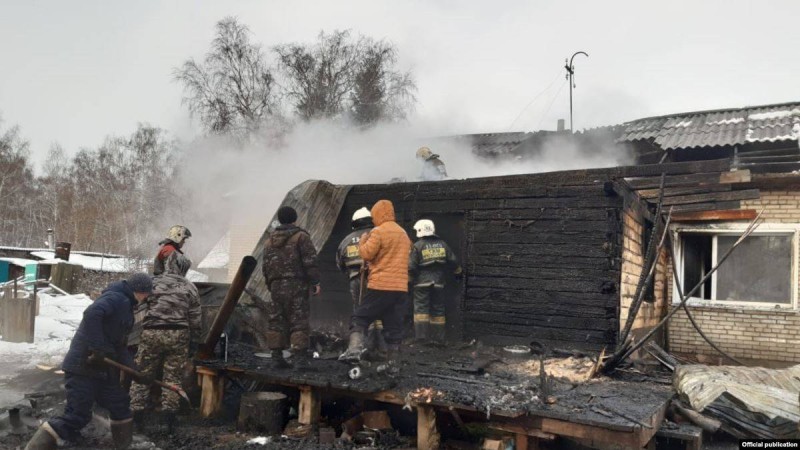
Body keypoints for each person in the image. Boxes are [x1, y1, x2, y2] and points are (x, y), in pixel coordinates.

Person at [25, 274, 154, 450]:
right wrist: (97, 348)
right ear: (138, 291)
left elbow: (120, 346)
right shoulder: (116, 297)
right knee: (77, 415)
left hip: (102, 369)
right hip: (83, 366)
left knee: (120, 406)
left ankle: (123, 446)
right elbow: (92, 313)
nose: (147, 297)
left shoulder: (128, 308)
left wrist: (136, 372)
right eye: (146, 293)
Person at [339, 200, 412, 363]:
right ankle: (392, 364)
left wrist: (364, 241)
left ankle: (354, 351)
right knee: (393, 325)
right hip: (400, 288)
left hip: (380, 285)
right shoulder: (403, 233)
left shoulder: (378, 232)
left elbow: (366, 254)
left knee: (360, 316)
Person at [131, 254, 200, 413]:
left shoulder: (153, 282)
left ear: (168, 265)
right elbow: (195, 318)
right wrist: (194, 342)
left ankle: (136, 413)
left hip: (152, 333)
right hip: (179, 335)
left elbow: (138, 306)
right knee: (173, 378)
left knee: (142, 374)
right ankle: (169, 418)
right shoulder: (190, 287)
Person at [262, 206, 321, 367]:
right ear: (295, 219)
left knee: (276, 321)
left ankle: (276, 357)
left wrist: (271, 285)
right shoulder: (301, 237)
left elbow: (265, 267)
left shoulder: (269, 242)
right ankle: (299, 359)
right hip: (297, 285)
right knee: (299, 320)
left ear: (280, 220)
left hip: (276, 286)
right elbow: (310, 262)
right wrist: (315, 282)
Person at [335, 207, 386, 352]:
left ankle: (361, 345)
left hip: (356, 280)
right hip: (377, 278)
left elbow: (340, 263)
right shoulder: (379, 236)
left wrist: (351, 275)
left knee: (360, 310)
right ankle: (380, 344)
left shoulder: (346, 240)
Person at [409, 219, 462, 345]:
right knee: (438, 310)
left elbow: (411, 266)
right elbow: (453, 261)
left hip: (421, 283)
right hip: (439, 283)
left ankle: (421, 338)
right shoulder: (443, 244)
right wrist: (458, 272)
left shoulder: (417, 246)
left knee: (421, 309)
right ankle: (438, 338)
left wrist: (411, 279)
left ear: (420, 230)